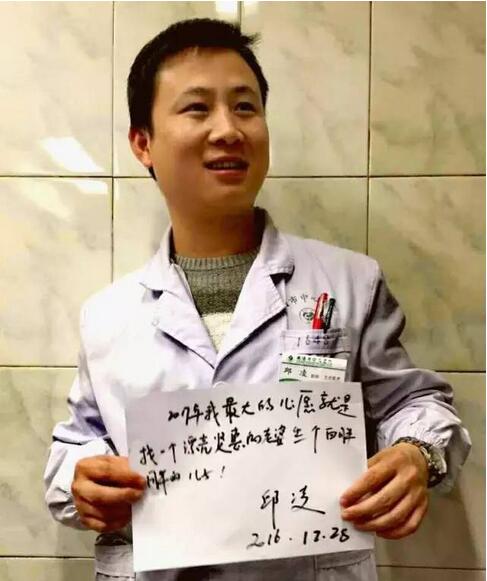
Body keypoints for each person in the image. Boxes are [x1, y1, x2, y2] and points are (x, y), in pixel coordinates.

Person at [44, 18, 471, 581]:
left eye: (245, 107)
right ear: (143, 143)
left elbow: (415, 403)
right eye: (197, 108)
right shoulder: (107, 316)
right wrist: (80, 478)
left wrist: (417, 453)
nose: (228, 129)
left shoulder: (349, 283)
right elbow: (76, 442)